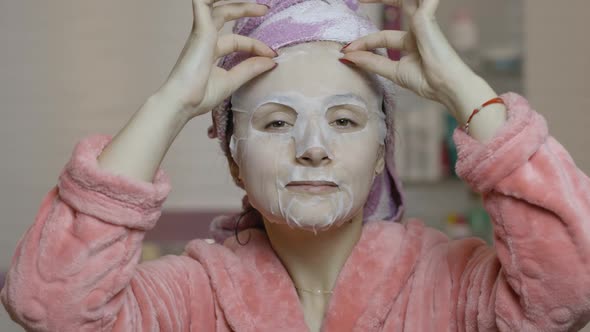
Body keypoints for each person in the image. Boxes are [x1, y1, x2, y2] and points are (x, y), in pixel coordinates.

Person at [2, 0, 590, 331]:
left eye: (344, 121)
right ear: (234, 163)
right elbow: (50, 308)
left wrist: (462, 89)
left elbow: (572, 284)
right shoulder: (190, 296)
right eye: (278, 122)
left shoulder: (456, 286)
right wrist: (170, 105)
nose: (313, 147)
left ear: (382, 152)